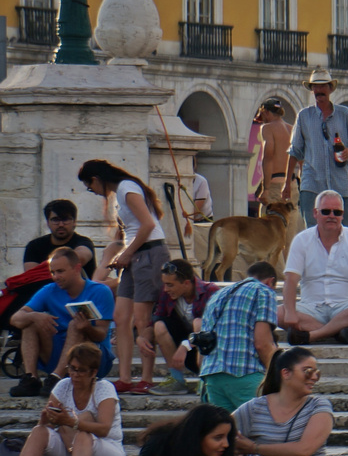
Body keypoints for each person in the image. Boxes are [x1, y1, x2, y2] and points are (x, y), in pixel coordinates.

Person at [79, 158, 170, 395]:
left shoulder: (127, 189)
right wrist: (123, 254)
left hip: (148, 254)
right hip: (134, 257)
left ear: (96, 179)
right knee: (121, 317)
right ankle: (125, 377)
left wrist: (127, 253)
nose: (94, 192)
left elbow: (148, 224)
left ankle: (147, 377)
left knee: (142, 320)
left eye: (90, 187)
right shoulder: (120, 193)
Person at [0, 344, 123, 456]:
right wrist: (47, 418)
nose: (75, 375)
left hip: (107, 453)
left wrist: (72, 423)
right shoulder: (63, 386)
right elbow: (47, 427)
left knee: (83, 435)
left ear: (93, 372)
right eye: (72, 368)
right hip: (70, 451)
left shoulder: (104, 388)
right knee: (39, 431)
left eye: (80, 370)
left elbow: (104, 429)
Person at [7, 247, 114, 398]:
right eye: (53, 272)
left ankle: (56, 377)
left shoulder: (100, 291)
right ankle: (31, 378)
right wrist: (34, 316)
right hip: (58, 351)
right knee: (29, 321)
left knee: (75, 324)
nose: (56, 277)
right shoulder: (49, 290)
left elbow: (102, 335)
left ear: (77, 268)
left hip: (92, 357)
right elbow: (15, 319)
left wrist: (87, 328)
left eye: (60, 271)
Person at [280, 190, 348, 344]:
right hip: (311, 308)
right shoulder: (301, 240)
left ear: (342, 215)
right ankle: (339, 333)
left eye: (337, 212)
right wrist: (290, 312)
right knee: (277, 313)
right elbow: (290, 280)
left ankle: (314, 335)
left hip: (346, 307)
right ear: (315, 213)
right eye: (326, 211)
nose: (332, 216)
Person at [283, 69, 348, 229]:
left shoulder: (345, 114)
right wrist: (287, 183)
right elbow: (295, 151)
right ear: (312, 89)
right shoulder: (304, 116)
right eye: (315, 87)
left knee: (346, 230)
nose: (319, 91)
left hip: (340, 184)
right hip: (312, 183)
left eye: (322, 86)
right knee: (313, 231)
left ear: (330, 88)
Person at [197, 261, 279, 412]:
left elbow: (201, 351)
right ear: (271, 281)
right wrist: (275, 376)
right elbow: (262, 343)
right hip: (245, 373)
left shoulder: (217, 295)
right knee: (260, 431)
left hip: (212, 376)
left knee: (225, 432)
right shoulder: (263, 291)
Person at [147, 259, 219, 395]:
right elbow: (157, 317)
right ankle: (176, 379)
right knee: (159, 325)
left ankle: (206, 380)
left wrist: (186, 344)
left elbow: (215, 329)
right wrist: (142, 338)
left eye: (170, 285)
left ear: (186, 283)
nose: (165, 289)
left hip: (210, 352)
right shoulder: (167, 294)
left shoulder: (211, 292)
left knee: (199, 322)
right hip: (185, 354)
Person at [23, 199, 97, 277]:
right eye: (55, 220)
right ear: (48, 222)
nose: (61, 224)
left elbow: (80, 258)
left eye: (65, 219)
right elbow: (31, 276)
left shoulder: (84, 242)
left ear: (74, 222)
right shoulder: (34, 246)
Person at [253, 99, 294, 218]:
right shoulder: (291, 129)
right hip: (291, 184)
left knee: (267, 230)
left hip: (275, 185)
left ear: (265, 112)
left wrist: (266, 189)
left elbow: (268, 156)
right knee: (289, 230)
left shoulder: (268, 128)